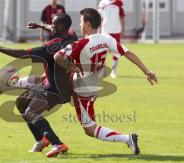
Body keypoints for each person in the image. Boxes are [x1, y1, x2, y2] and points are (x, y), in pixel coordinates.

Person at [54, 8, 158, 155]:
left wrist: (70, 66)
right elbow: (128, 53)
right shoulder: (107, 39)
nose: (80, 25)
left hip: (82, 88)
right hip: (94, 84)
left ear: (88, 24)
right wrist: (147, 71)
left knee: (90, 129)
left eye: (81, 22)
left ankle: (128, 139)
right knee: (51, 87)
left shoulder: (82, 43)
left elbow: (58, 57)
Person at [0, 13, 78, 158]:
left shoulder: (51, 47)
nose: (51, 27)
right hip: (57, 84)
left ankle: (57, 144)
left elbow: (23, 54)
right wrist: (40, 26)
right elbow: (53, 28)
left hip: (56, 89)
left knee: (31, 112)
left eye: (53, 25)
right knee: (21, 102)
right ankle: (41, 140)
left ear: (61, 27)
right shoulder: (72, 36)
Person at [98, 0, 125, 78]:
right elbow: (100, 17)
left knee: (116, 51)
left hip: (116, 30)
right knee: (103, 51)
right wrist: (99, 30)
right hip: (105, 30)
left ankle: (114, 70)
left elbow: (122, 16)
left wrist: (123, 29)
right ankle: (102, 69)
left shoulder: (119, 2)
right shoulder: (102, 2)